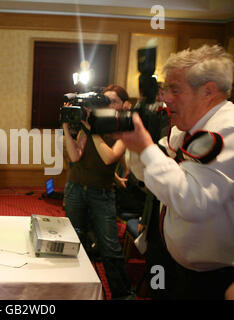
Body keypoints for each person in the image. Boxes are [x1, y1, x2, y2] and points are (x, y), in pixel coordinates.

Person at [118, 45, 234, 299]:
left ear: (208, 91)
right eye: (165, 88)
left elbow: (194, 202)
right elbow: (148, 174)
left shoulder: (228, 129)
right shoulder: (185, 127)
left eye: (175, 89)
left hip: (211, 279)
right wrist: (136, 146)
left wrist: (146, 147)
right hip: (172, 261)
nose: (165, 98)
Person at [62, 84, 134, 299]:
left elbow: (109, 157)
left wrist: (91, 129)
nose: (109, 104)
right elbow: (76, 157)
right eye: (106, 100)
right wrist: (66, 127)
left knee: (110, 247)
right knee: (75, 239)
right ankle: (78, 290)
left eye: (114, 101)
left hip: (101, 194)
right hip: (76, 188)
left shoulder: (123, 127)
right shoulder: (89, 126)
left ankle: (123, 295)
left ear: (124, 105)